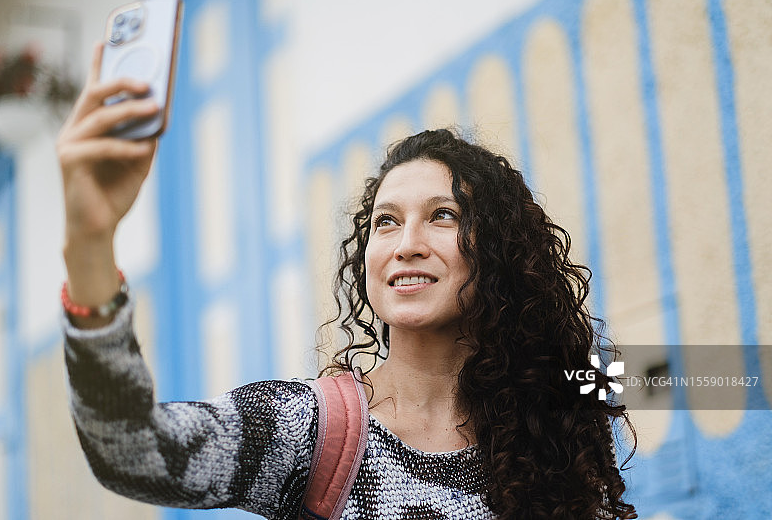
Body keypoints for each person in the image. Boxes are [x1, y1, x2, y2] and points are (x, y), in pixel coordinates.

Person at [58, 44, 637, 519]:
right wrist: (89, 245)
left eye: (443, 215)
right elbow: (132, 450)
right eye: (386, 222)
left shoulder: (557, 407)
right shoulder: (311, 428)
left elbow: (710, 373)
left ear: (501, 253)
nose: (406, 244)